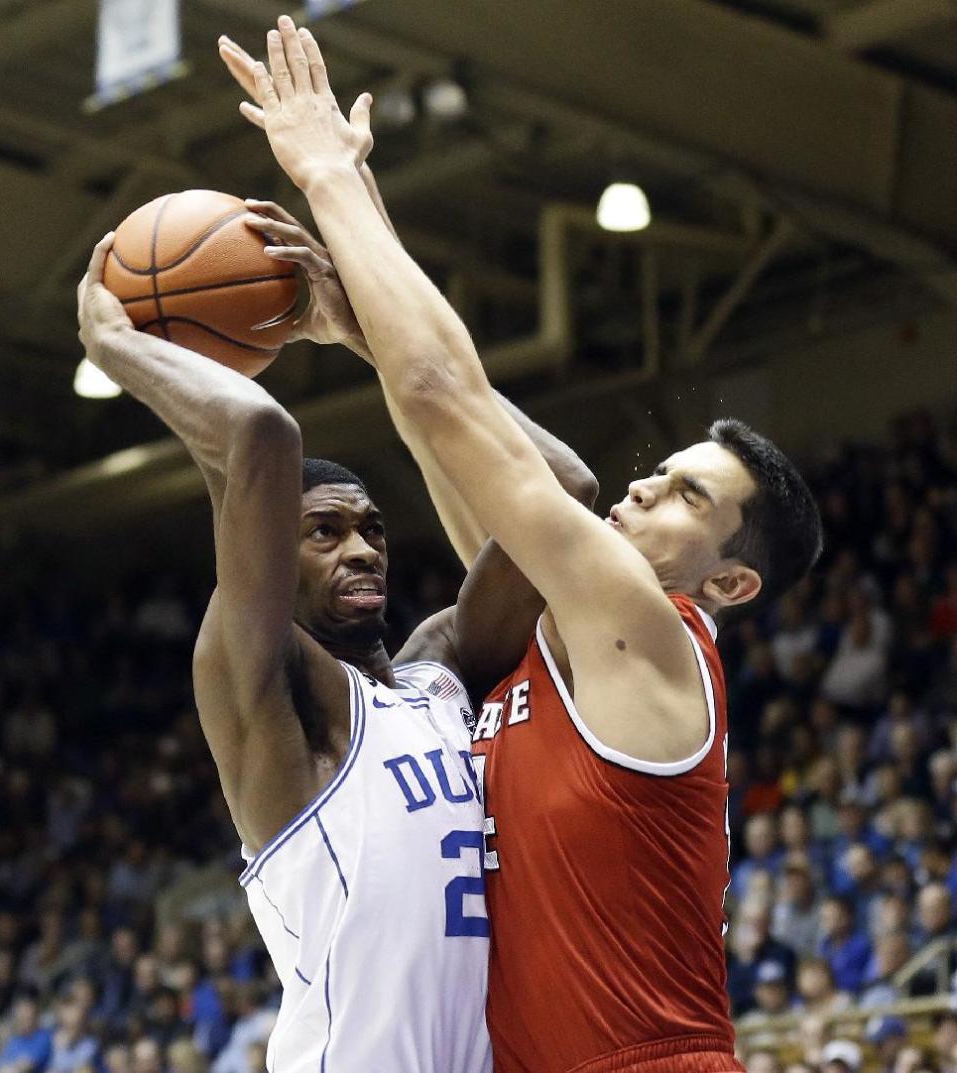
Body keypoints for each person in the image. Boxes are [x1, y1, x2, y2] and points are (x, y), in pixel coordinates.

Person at [240, 16, 823, 1073]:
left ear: (729, 577)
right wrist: (360, 318)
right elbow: (445, 435)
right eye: (661, 468)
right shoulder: (554, 625)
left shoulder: (645, 629)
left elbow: (444, 396)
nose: (645, 483)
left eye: (688, 494)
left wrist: (330, 175)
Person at [77, 172, 597, 1072]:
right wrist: (119, 348)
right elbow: (258, 440)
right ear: (274, 548)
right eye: (324, 531)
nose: (362, 548)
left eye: (372, 529)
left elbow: (567, 495)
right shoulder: (281, 696)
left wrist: (369, 338)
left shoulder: (442, 673)